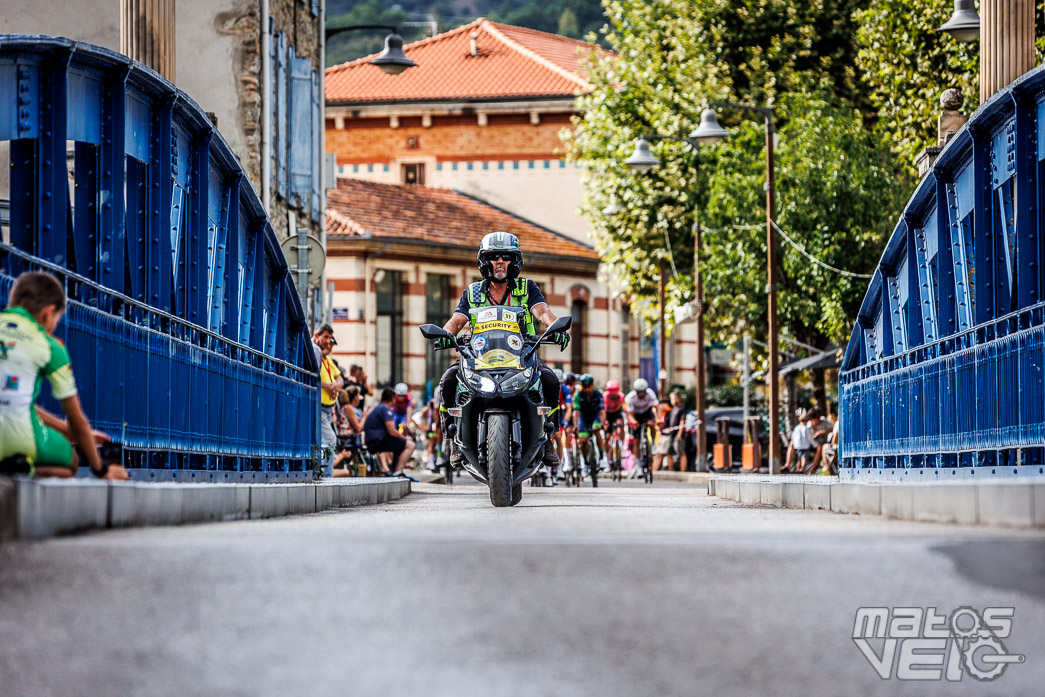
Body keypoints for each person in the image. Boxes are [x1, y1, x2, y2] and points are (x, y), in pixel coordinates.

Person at [436, 232, 569, 471]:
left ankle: (548, 438)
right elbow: (456, 321)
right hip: (478, 359)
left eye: (506, 256)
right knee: (447, 380)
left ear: (514, 261)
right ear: (483, 260)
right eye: (493, 256)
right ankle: (453, 439)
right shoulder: (473, 292)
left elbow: (543, 313)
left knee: (550, 380)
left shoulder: (527, 288)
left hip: (522, 357)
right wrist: (445, 334)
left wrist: (555, 327)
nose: (499, 261)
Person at [0, 272, 128, 480]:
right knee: (72, 462)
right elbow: (77, 419)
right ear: (48, 313)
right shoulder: (49, 346)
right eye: (57, 318)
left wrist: (66, 431)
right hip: (17, 441)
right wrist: (101, 469)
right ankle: (21, 468)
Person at [363, 387, 416, 478]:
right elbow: (392, 431)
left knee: (400, 445)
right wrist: (405, 437)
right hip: (378, 441)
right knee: (410, 445)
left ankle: (394, 470)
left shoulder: (379, 408)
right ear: (392, 398)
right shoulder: (385, 409)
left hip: (373, 440)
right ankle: (398, 471)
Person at [313, 322, 343, 477]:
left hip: (326, 408)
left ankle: (321, 473)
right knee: (329, 439)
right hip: (317, 406)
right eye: (325, 337)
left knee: (323, 440)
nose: (328, 342)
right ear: (316, 335)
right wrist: (330, 387)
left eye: (330, 338)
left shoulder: (326, 358)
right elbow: (313, 378)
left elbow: (340, 379)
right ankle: (325, 475)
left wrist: (334, 387)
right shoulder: (314, 351)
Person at [572, 374, 605, 468]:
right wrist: (575, 425)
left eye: (589, 387)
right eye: (584, 387)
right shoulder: (578, 395)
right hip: (583, 417)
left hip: (595, 416)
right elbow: (576, 413)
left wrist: (602, 424)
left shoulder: (598, 394)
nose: (587, 390)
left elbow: (602, 412)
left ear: (592, 386)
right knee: (583, 440)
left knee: (597, 430)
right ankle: (585, 461)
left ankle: (602, 458)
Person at [624, 378, 659, 461]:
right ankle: (638, 463)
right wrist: (634, 421)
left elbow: (656, 407)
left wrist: (657, 418)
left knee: (651, 424)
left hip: (646, 412)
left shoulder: (650, 393)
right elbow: (629, 414)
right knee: (637, 440)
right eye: (639, 392)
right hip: (635, 415)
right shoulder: (630, 397)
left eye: (643, 392)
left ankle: (653, 443)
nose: (641, 394)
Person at [654, 391, 687, 472]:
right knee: (669, 453)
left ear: (678, 398)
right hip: (671, 435)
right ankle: (670, 469)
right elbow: (666, 424)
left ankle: (683, 470)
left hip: (678, 435)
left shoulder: (681, 409)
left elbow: (682, 422)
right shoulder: (671, 410)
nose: (672, 400)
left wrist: (679, 434)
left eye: (673, 398)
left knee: (681, 452)